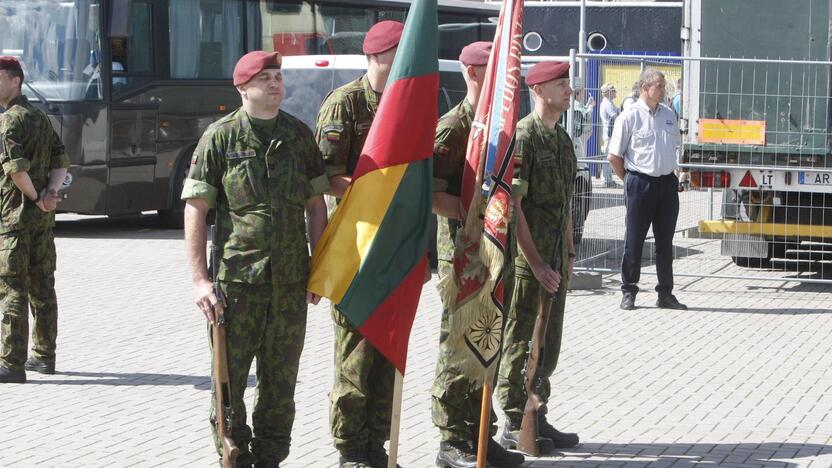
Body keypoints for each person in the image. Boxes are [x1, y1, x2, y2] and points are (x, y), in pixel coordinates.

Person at [182, 50, 329, 467]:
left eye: (279, 76)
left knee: (280, 386)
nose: (276, 84)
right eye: (265, 78)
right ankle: (235, 455)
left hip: (289, 284)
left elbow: (316, 206)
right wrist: (200, 280)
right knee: (227, 384)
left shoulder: (299, 136)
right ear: (243, 87)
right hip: (236, 285)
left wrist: (318, 267)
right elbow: (196, 208)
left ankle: (270, 459)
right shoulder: (221, 137)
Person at [314, 20, 404, 468]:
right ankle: (350, 448)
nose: (402, 67)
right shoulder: (345, 105)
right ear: (373, 59)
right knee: (355, 352)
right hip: (354, 247)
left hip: (393, 249)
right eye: (394, 59)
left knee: (386, 347)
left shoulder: (408, 105)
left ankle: (376, 445)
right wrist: (376, 191)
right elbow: (327, 177)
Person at [431, 41, 524, 468]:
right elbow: (430, 195)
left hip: (493, 254)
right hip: (462, 253)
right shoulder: (453, 127)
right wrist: (473, 212)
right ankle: (452, 440)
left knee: (487, 337)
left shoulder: (502, 129)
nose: (508, 80)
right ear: (473, 73)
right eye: (497, 71)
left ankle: (481, 433)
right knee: (458, 343)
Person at [496, 61, 580, 454]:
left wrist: (567, 254)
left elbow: (565, 205)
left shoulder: (562, 141)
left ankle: (538, 414)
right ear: (539, 90)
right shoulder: (524, 137)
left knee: (548, 343)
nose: (569, 90)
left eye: (567, 84)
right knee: (520, 340)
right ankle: (514, 419)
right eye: (561, 84)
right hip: (529, 264)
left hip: (555, 262)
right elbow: (516, 208)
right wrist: (537, 263)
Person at [0, 56, 69, 384]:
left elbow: (16, 170)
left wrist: (35, 199)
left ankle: (11, 363)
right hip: (41, 220)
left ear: (16, 81)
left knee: (12, 286)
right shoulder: (41, 117)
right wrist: (50, 196)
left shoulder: (10, 121)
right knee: (43, 286)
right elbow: (61, 158)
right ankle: (44, 356)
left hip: (15, 220)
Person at [607, 68, 687, 311]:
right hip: (640, 182)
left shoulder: (669, 114)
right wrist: (630, 180)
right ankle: (629, 291)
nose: (663, 91)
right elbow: (614, 156)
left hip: (666, 184)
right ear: (645, 88)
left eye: (663, 86)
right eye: (659, 86)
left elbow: (676, 147)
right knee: (634, 240)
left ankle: (666, 293)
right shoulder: (629, 116)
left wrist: (677, 173)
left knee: (665, 242)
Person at [599, 82, 620, 187]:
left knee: (609, 156)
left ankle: (608, 179)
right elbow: (616, 117)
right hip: (609, 134)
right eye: (612, 90)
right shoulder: (607, 103)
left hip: (609, 133)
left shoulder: (609, 103)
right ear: (608, 92)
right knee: (608, 157)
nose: (614, 92)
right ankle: (606, 180)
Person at [571, 77, 594, 167]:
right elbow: (584, 116)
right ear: (577, 94)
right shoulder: (575, 105)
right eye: (582, 93)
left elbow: (582, 111)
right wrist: (591, 107)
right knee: (581, 158)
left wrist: (588, 104)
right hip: (580, 135)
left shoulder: (576, 104)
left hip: (581, 135)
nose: (583, 95)